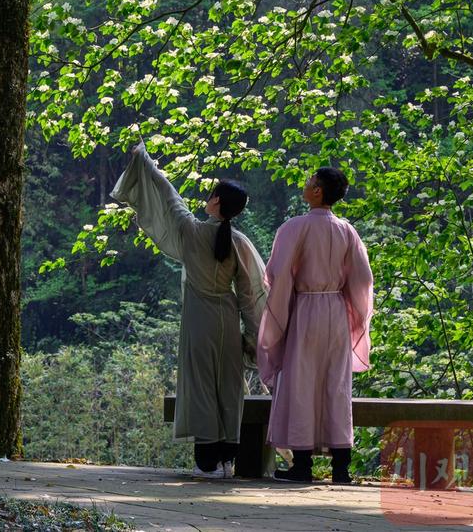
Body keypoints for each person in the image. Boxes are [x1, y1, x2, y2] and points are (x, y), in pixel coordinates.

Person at [112, 139, 267, 479]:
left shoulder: (191, 231)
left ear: (216, 202)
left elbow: (168, 195)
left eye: (212, 194)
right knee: (228, 387)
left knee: (200, 387)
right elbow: (251, 294)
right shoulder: (239, 242)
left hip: (200, 320)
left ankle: (206, 463)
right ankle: (227, 461)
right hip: (228, 319)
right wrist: (253, 337)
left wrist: (146, 160)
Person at [257, 166, 373, 485]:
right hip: (335, 310)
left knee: (300, 382)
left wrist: (281, 308)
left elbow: (278, 275)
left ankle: (303, 464)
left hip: (306, 308)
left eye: (310, 181)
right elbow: (363, 281)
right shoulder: (347, 230)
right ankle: (341, 468)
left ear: (318, 191)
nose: (306, 185)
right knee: (336, 385)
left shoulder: (295, 227)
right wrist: (355, 317)